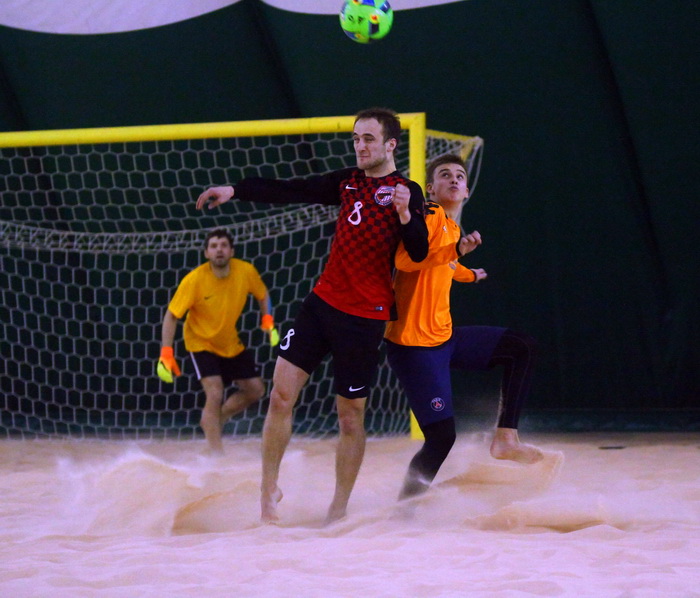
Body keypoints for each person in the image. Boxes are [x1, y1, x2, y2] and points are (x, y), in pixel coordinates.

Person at [196, 107, 429, 523]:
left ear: (391, 144)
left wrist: (407, 216)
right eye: (356, 138)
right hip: (321, 305)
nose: (360, 146)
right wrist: (236, 189)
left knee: (350, 417)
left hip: (364, 318)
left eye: (369, 139)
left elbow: (419, 252)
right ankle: (268, 490)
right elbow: (294, 189)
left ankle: (338, 508)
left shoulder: (405, 190)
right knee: (280, 397)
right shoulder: (348, 181)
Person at [384, 154, 544, 500]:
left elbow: (446, 262)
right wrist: (455, 251)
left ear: (467, 191)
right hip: (414, 346)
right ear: (430, 188)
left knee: (522, 347)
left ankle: (506, 437)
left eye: (459, 176)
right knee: (441, 438)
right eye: (445, 175)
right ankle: (404, 508)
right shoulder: (427, 215)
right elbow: (406, 261)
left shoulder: (452, 228)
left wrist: (469, 274)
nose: (454, 179)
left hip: (444, 337)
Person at [157, 228, 276, 454]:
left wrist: (267, 319)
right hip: (200, 342)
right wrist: (166, 353)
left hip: (229, 342)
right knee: (215, 392)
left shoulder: (246, 271)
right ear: (206, 253)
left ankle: (214, 420)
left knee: (256, 390)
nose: (219, 250)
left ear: (231, 251)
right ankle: (216, 454)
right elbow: (171, 316)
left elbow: (263, 295)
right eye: (213, 246)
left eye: (223, 245)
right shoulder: (194, 280)